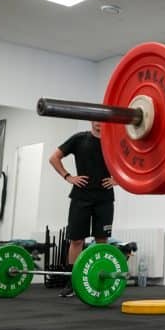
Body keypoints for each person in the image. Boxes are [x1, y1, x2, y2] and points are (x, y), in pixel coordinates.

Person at [49, 121, 117, 298]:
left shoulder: (113, 141)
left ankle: (99, 280)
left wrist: (118, 180)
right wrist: (68, 176)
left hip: (104, 198)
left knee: (101, 239)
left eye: (102, 119)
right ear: (91, 120)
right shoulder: (79, 139)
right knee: (76, 240)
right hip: (81, 197)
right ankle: (71, 282)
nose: (99, 122)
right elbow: (54, 158)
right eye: (96, 119)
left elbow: (130, 161)